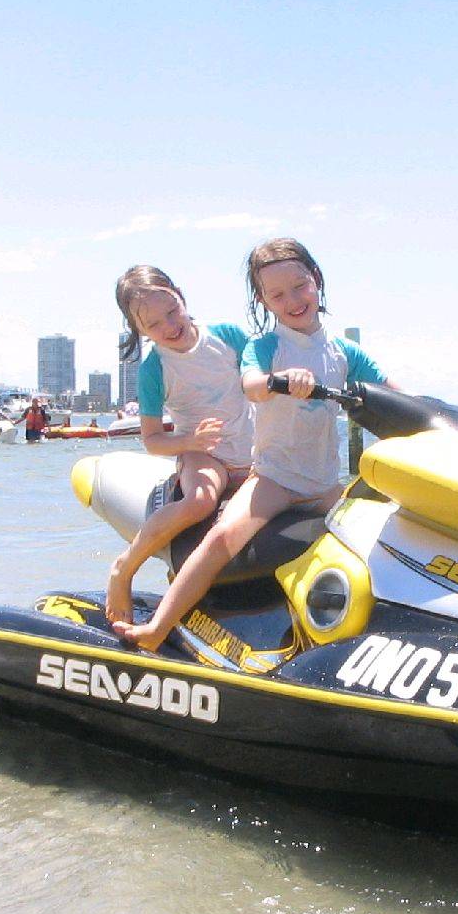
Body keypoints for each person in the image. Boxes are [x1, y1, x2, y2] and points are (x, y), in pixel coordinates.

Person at [112, 239, 397, 650]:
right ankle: (154, 620)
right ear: (262, 301)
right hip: (269, 477)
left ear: (316, 279)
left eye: (299, 287)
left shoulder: (343, 351)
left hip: (321, 483)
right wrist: (279, 382)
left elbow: (395, 395)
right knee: (219, 535)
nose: (293, 300)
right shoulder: (265, 347)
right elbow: (251, 384)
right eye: (277, 295)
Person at [103, 265, 254, 626]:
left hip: (253, 453)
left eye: (172, 312)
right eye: (153, 324)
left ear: (182, 297)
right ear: (138, 330)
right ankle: (124, 568)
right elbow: (152, 440)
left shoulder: (228, 337)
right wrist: (192, 440)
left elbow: (262, 378)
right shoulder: (154, 368)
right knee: (200, 502)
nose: (169, 326)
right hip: (203, 455)